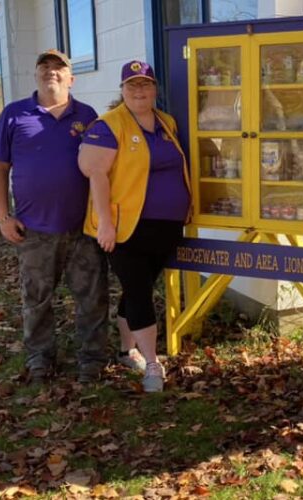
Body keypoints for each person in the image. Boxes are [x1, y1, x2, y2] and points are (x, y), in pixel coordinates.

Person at [0, 49, 109, 385]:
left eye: (59, 67)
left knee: (92, 298)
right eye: (44, 66)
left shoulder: (88, 115)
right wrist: (2, 217)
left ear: (72, 78)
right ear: (36, 74)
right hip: (34, 229)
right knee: (37, 299)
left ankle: (92, 359)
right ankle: (40, 358)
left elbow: (103, 166)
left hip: (84, 227)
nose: (51, 71)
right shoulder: (14, 115)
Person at [78, 60, 190, 393]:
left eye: (145, 85)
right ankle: (152, 364)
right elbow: (95, 174)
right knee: (139, 290)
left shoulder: (166, 123)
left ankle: (127, 349)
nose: (139, 91)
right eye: (132, 85)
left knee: (137, 287)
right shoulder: (108, 125)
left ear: (155, 89)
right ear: (123, 90)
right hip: (125, 229)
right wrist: (106, 225)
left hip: (165, 226)